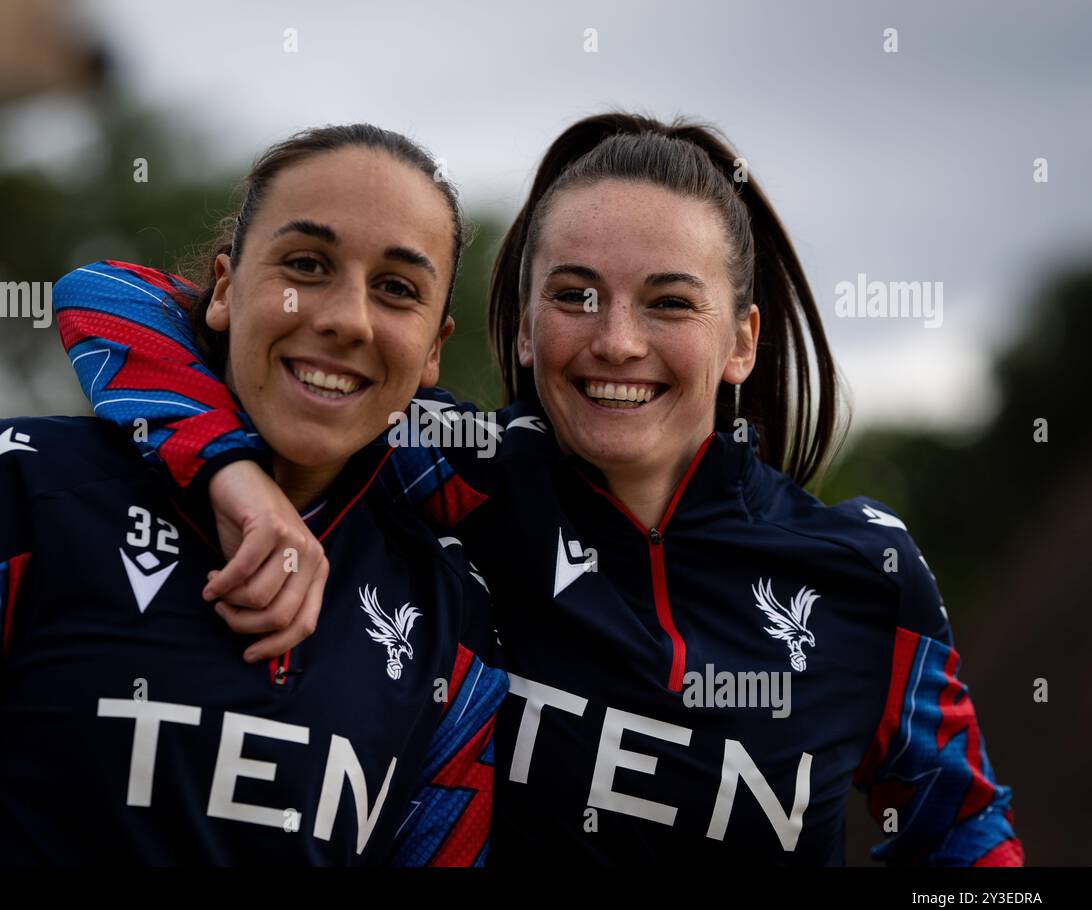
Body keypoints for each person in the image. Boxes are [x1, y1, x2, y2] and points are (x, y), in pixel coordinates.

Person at [54, 113, 1023, 866]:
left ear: (741, 341)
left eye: (669, 301)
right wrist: (234, 471)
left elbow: (964, 833)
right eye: (573, 293)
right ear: (519, 330)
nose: (614, 341)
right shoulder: (451, 468)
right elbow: (111, 295)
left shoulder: (865, 568)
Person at [0, 124, 505, 866]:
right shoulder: (15, 487)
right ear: (224, 290)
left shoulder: (452, 609)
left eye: (396, 288)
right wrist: (226, 465)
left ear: (434, 349)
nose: (345, 319)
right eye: (305, 264)